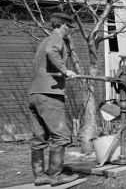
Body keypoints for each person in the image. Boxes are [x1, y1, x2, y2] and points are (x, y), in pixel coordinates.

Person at [28, 12, 78, 186]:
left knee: (39, 138)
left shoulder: (43, 42)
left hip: (35, 95)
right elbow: (52, 52)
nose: (69, 32)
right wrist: (65, 71)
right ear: (64, 26)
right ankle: (55, 176)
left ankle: (40, 176)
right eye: (69, 29)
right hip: (49, 95)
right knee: (61, 136)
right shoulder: (56, 39)